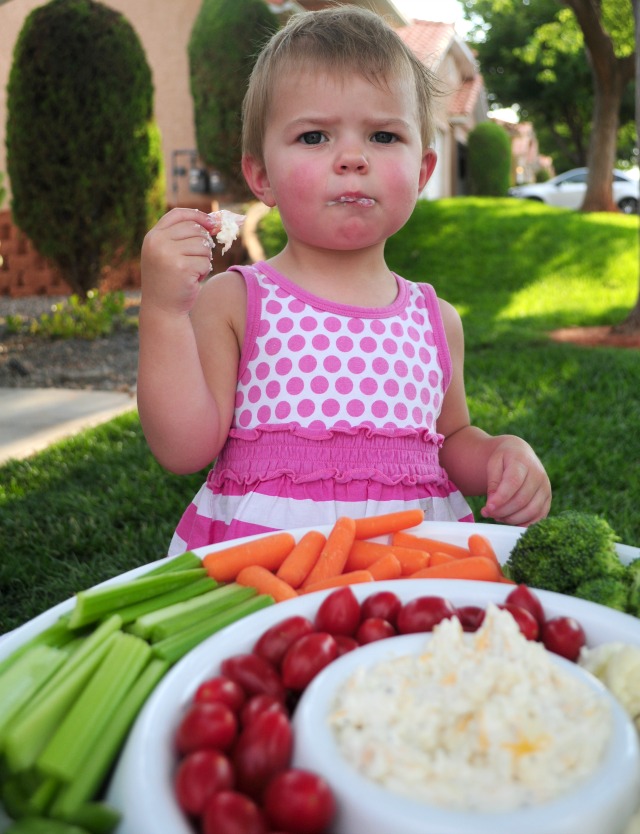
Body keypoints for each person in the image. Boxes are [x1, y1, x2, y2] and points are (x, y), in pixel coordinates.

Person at [137, 6, 551, 556]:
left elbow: (450, 442)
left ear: (423, 172)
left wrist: (502, 452)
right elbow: (183, 448)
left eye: (383, 135)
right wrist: (164, 313)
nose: (352, 158)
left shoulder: (435, 320)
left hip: (407, 563)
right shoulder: (237, 301)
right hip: (268, 569)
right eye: (314, 137)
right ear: (261, 174)